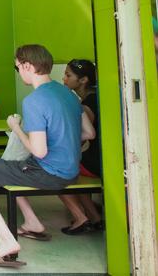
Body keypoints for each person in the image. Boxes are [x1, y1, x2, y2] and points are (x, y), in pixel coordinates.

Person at [0, 45, 95, 268]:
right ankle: (32, 222)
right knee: (4, 166)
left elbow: (39, 151)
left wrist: (15, 127)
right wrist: (60, 139)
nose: (18, 72)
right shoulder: (68, 94)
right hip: (71, 171)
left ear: (27, 66)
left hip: (49, 173)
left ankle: (6, 242)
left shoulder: (34, 100)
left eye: (17, 68)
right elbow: (89, 133)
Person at [60, 59, 103, 234]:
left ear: (83, 80)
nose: (64, 79)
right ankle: (94, 217)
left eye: (68, 75)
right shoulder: (95, 96)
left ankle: (83, 218)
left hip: (96, 161)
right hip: (102, 157)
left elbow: (84, 135)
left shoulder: (87, 104)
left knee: (59, 171)